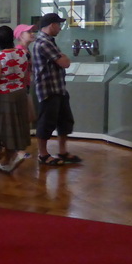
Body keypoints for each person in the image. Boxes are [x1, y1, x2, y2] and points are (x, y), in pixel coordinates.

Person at [30, 12, 82, 166]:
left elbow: (63, 60)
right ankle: (43, 154)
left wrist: (62, 57)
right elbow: (64, 63)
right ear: (51, 25)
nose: (60, 28)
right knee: (46, 123)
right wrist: (63, 57)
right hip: (49, 90)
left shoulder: (48, 41)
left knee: (64, 121)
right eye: (58, 25)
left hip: (58, 88)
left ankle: (62, 151)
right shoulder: (44, 43)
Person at [0, 25, 31, 173]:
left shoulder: (0, 57)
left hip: (5, 96)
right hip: (20, 93)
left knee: (7, 128)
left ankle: (8, 159)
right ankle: (13, 154)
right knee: (17, 126)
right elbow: (25, 74)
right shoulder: (22, 53)